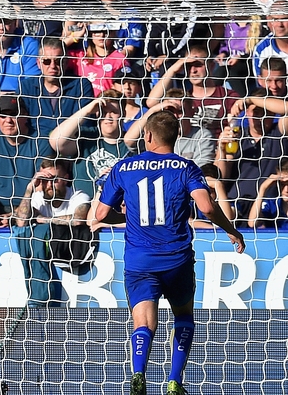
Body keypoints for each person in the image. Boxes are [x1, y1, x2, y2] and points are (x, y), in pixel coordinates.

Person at [93, 110, 245, 395]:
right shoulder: (187, 167)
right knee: (183, 317)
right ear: (176, 137)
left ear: (147, 135)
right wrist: (230, 229)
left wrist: (126, 216)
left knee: (144, 323)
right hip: (176, 258)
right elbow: (208, 208)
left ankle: (138, 375)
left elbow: (101, 214)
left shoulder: (123, 167)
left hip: (140, 260)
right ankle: (174, 380)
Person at [14, 158, 92, 306]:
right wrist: (30, 187)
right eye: (44, 180)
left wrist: (44, 219)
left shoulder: (78, 196)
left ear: (66, 178)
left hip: (73, 257)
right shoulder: (38, 197)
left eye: (55, 180)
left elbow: (78, 219)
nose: (49, 185)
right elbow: (21, 222)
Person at [0, 95, 54, 228]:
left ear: (25, 117)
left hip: (33, 209)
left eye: (14, 114)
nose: (8, 120)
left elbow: (41, 188)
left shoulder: (41, 142)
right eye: (3, 115)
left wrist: (15, 214)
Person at [215, 89, 288, 223]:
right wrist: (222, 150)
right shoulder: (236, 134)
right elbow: (220, 177)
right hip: (236, 204)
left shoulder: (279, 132)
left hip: (267, 206)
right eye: (256, 112)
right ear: (247, 113)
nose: (259, 117)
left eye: (265, 112)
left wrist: (249, 99)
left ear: (273, 114)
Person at [146, 41, 240, 137]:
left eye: (198, 65)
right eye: (188, 66)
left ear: (211, 66)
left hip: (217, 148)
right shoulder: (182, 98)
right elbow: (151, 103)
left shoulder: (227, 96)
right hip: (186, 149)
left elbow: (234, 128)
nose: (193, 70)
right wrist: (172, 70)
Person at [49, 92, 132, 199]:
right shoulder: (86, 137)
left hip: (118, 207)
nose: (108, 117)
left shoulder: (132, 143)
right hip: (82, 208)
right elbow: (55, 142)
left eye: (113, 112)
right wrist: (87, 110)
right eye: (103, 112)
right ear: (97, 114)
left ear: (123, 114)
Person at [19, 36, 94, 137]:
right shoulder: (26, 87)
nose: (53, 66)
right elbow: (22, 124)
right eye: (46, 61)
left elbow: (85, 124)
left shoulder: (81, 85)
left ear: (66, 62)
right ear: (38, 63)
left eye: (58, 61)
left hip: (70, 144)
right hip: (36, 146)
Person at [67, 21, 130, 97]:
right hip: (82, 104)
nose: (102, 35)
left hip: (106, 104)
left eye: (106, 31)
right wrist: (74, 37)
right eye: (96, 31)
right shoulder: (80, 56)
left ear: (114, 33)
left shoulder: (120, 59)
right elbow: (51, 52)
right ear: (90, 33)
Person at [247, 157, 288, 228]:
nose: (286, 189)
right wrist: (263, 188)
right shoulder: (272, 204)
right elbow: (252, 223)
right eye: (282, 184)